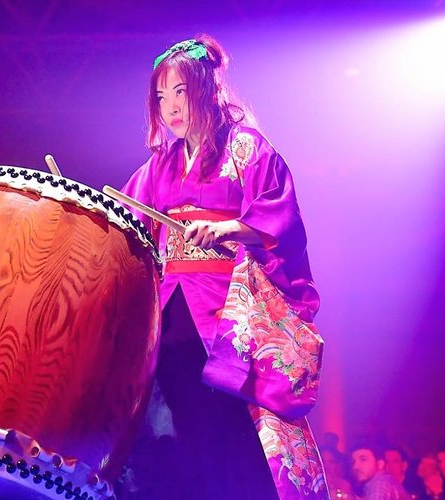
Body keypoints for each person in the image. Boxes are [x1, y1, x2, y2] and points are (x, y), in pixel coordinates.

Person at [118, 35, 326, 498]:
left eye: (180, 92)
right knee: (171, 423)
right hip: (172, 309)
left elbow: (283, 221)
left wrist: (231, 228)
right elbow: (126, 216)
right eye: (161, 96)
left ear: (207, 90)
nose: (170, 107)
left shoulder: (248, 148)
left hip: (225, 312)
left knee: (227, 434)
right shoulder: (162, 164)